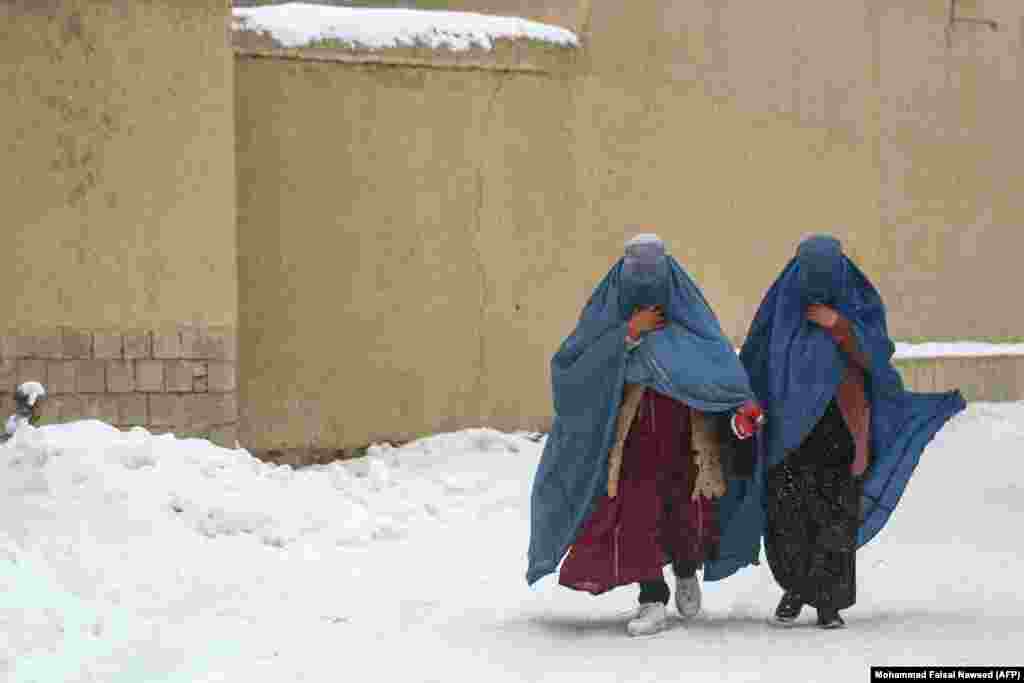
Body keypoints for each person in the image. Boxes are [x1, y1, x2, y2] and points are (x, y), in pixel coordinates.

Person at [705, 234, 966, 629]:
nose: (818, 280)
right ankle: (794, 590)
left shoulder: (856, 308)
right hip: (786, 436)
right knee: (787, 519)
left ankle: (829, 602)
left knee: (834, 519)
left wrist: (839, 326)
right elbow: (756, 364)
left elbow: (874, 361)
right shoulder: (781, 312)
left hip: (840, 431)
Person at [526, 233, 764, 637]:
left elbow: (719, 366)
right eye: (637, 274)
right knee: (637, 515)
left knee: (685, 510)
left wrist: (741, 404)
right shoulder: (607, 319)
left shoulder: (688, 317)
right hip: (631, 442)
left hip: (688, 436)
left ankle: (687, 571)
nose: (645, 285)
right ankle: (651, 596)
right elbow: (571, 371)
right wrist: (627, 336)